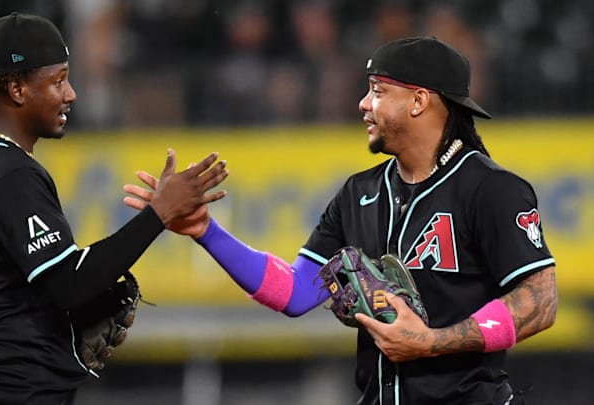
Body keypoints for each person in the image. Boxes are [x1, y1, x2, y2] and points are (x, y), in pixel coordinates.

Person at [123, 36, 557, 404]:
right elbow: (294, 292)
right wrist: (205, 231)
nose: (363, 103)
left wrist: (431, 343)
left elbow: (540, 302)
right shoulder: (358, 193)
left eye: (378, 90)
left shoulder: (490, 188)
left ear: (419, 101)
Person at [0, 12, 228, 405]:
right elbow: (70, 285)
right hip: (2, 395)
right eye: (57, 81)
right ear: (17, 89)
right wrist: (159, 213)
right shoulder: (10, 174)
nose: (71, 94)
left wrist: (14, 308)